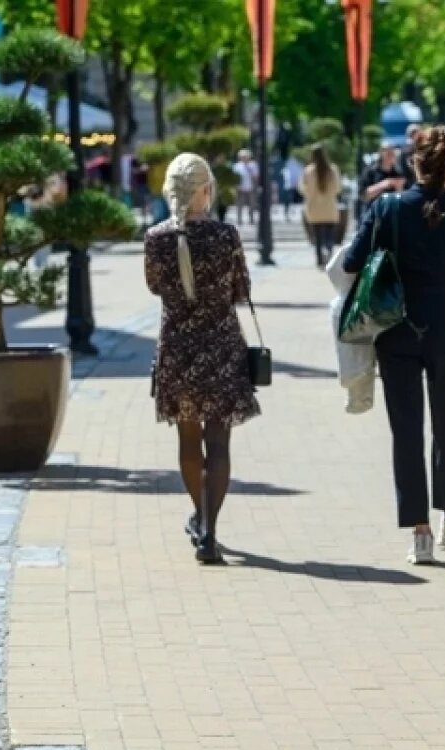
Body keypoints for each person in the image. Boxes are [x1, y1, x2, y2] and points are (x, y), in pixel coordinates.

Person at [343, 126, 445, 565]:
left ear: (415, 162)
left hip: (395, 327)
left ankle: (420, 532)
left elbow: (354, 261)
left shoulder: (387, 208)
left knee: (406, 428)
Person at [145, 153, 260, 565]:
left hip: (178, 348)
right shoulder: (225, 235)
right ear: (204, 191)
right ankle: (209, 528)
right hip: (221, 348)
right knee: (219, 440)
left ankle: (201, 518)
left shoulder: (156, 238)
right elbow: (241, 290)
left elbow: (155, 288)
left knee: (188, 439)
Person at [300, 144, 342, 267]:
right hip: (329, 207)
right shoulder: (332, 169)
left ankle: (319, 260)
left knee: (317, 235)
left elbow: (303, 188)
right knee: (329, 234)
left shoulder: (308, 171)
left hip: (314, 207)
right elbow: (337, 188)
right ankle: (328, 250)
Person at [358, 144, 407, 214]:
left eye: (392, 153)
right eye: (388, 153)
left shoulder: (398, 173)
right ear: (381, 154)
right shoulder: (370, 171)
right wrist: (384, 184)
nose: (391, 156)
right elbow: (364, 195)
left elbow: (401, 198)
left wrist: (399, 187)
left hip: (391, 214)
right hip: (373, 214)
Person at [232, 149, 258, 225]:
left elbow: (256, 177)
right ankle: (239, 220)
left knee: (252, 205)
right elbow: (234, 178)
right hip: (240, 188)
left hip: (251, 188)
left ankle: (251, 219)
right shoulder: (237, 166)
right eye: (243, 157)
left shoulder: (253, 165)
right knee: (240, 205)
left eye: (246, 156)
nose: (245, 158)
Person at [281, 154, 304, 221]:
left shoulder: (290, 165)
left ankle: (288, 213)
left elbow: (285, 174)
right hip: (291, 185)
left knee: (289, 200)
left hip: (290, 185)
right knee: (289, 200)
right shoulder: (296, 165)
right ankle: (287, 213)